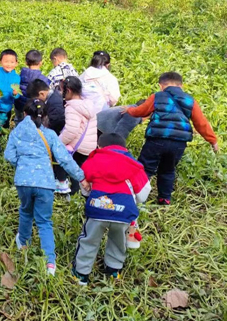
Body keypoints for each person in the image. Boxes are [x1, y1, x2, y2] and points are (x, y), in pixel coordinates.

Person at [4, 99, 87, 276]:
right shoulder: (49, 135)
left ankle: (23, 244)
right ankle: (50, 262)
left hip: (23, 182)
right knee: (44, 222)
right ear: (44, 116)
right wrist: (81, 177)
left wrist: (23, 165)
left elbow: (9, 155)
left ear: (25, 114)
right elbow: (64, 159)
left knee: (26, 212)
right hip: (45, 183)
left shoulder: (16, 132)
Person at [124, 72, 218, 205]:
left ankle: (136, 198)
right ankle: (164, 199)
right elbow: (201, 123)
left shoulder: (157, 96)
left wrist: (129, 110)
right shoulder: (190, 100)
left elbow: (141, 111)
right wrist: (213, 141)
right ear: (181, 85)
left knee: (145, 168)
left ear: (161, 85)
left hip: (157, 139)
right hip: (179, 143)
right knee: (168, 170)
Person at [72, 133, 151, 285]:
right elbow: (144, 192)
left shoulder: (93, 161)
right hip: (124, 210)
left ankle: (81, 274)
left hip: (98, 208)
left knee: (89, 240)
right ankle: (114, 270)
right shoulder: (133, 164)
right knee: (118, 240)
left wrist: (88, 195)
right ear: (125, 148)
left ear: (99, 146)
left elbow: (84, 184)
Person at [58, 76, 98, 194]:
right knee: (83, 169)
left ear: (69, 90)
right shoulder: (88, 104)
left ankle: (75, 192)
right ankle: (85, 192)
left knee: (74, 170)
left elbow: (71, 130)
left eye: (62, 90)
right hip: (89, 144)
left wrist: (59, 142)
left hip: (78, 146)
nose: (61, 93)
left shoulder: (72, 108)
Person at [0, 49, 21, 153]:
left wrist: (15, 94)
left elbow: (17, 94)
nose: (9, 64)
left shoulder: (16, 77)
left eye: (12, 62)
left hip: (6, 107)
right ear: (0, 62)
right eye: (6, 61)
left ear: (16, 63)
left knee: (4, 125)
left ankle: (3, 139)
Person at [15, 50, 49, 121]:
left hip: (20, 106)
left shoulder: (20, 76)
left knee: (19, 121)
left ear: (26, 62)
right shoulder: (43, 79)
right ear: (41, 63)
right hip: (34, 107)